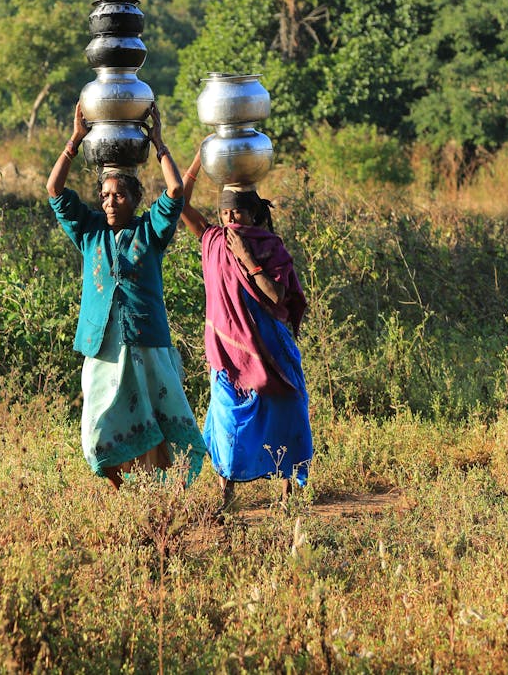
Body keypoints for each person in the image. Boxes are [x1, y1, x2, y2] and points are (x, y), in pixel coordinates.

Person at [46, 102, 206, 489]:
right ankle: (124, 489)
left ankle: (154, 493)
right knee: (96, 427)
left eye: (118, 196)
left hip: (146, 340)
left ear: (135, 199)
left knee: (159, 415)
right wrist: (75, 139)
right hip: (102, 344)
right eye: (104, 196)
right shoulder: (89, 232)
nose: (109, 202)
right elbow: (54, 190)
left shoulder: (150, 231)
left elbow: (175, 190)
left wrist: (160, 144)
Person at [181, 147, 312, 511]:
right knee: (227, 418)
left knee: (286, 409)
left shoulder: (270, 248)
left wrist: (248, 259)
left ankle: (289, 493)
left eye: (236, 210)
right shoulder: (213, 241)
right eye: (223, 212)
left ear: (254, 213)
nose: (229, 218)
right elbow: (179, 203)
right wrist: (200, 156)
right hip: (229, 354)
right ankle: (226, 495)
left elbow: (277, 294)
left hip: (270, 347)